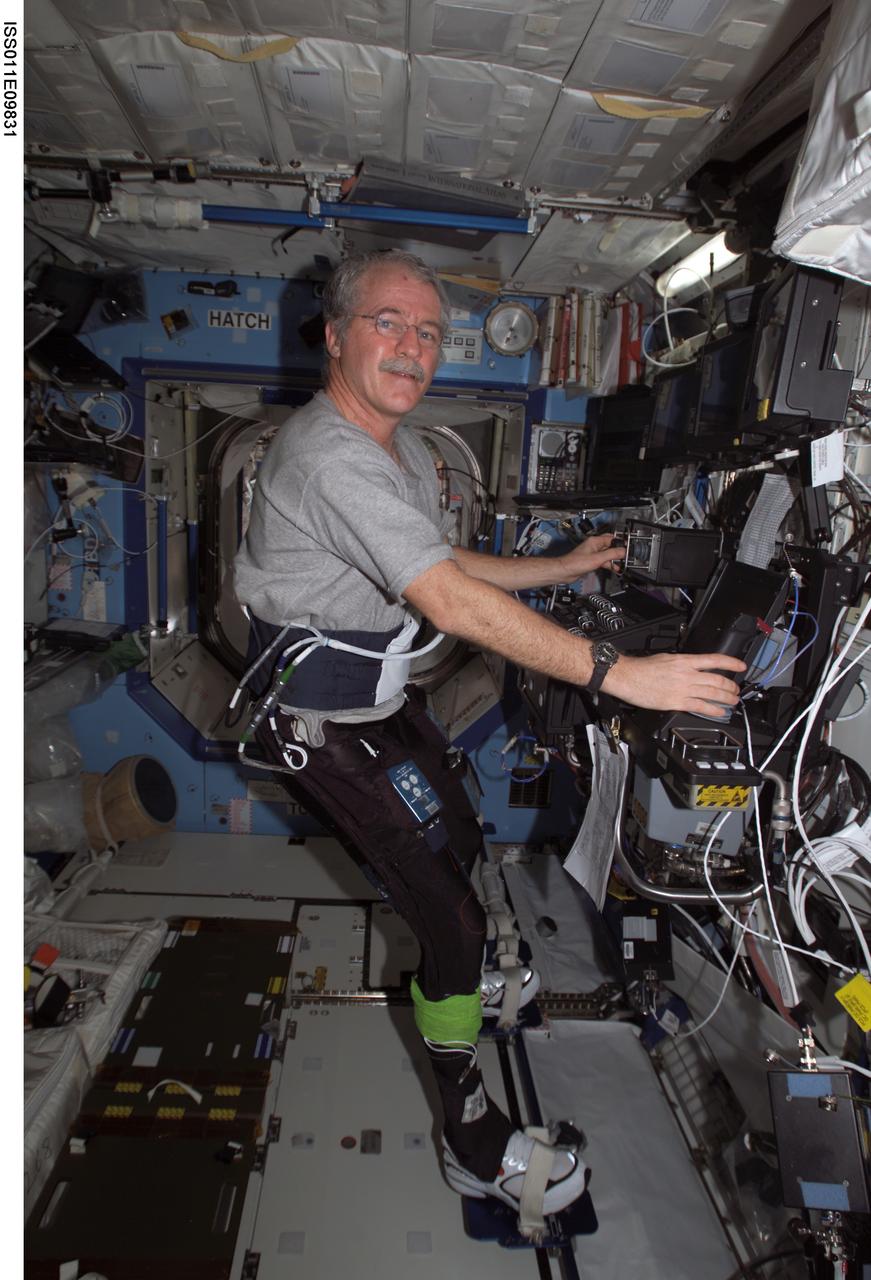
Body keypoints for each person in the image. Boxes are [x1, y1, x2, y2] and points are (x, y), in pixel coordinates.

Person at [233, 249, 744, 1221]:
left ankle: (469, 980)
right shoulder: (330, 455)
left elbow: (440, 558)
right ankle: (470, 1140)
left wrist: (559, 567)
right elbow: (445, 598)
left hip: (379, 707)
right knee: (451, 922)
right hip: (319, 728)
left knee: (463, 830)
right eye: (387, 323)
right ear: (335, 337)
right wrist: (620, 673)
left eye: (427, 331)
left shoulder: (397, 449)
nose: (410, 346)